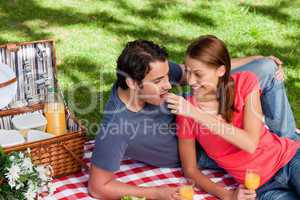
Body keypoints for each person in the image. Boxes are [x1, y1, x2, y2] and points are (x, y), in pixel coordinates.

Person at [88, 39, 297, 200]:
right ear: (132, 83)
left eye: (167, 76)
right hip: (203, 152)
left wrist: (254, 59)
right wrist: (157, 193)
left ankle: (289, 142)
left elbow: (204, 70)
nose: (169, 85)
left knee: (266, 67)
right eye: (159, 81)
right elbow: (98, 187)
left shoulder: (156, 71)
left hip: (210, 117)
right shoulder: (116, 126)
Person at [166, 35, 300, 200]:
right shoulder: (186, 112)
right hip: (260, 187)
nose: (191, 80)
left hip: (289, 160)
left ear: (220, 71)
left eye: (198, 74)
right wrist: (228, 195)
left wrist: (197, 114)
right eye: (187, 71)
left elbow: (250, 143)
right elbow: (190, 170)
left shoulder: (244, 83)